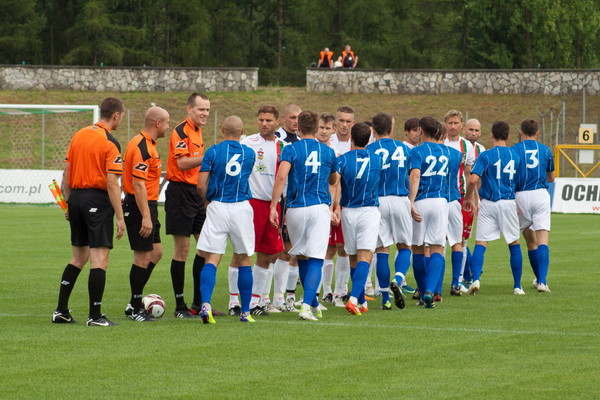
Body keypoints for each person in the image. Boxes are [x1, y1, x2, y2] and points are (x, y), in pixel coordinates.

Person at [52, 97, 125, 327]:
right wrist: (120, 217)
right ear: (116, 115)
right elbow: (112, 183)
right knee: (99, 259)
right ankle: (95, 316)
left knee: (78, 257)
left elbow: (66, 174)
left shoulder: (79, 135)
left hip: (76, 198)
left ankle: (61, 311)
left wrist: (69, 203)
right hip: (97, 200)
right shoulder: (110, 142)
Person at [269, 110, 339, 321]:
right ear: (317, 128)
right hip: (318, 207)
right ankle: (307, 305)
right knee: (316, 257)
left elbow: (281, 177)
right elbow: (334, 179)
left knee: (301, 255)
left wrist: (273, 206)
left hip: (295, 209)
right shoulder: (328, 151)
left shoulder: (291, 149)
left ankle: (312, 302)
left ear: (298, 127)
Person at [165, 93, 223, 318]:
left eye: (207, 109)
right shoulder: (180, 131)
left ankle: (200, 303)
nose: (205, 113)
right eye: (201, 109)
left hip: (197, 193)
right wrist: (208, 156)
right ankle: (180, 306)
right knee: (182, 250)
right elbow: (181, 163)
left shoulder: (198, 131)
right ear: (189, 109)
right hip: (180, 193)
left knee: (206, 248)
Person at [226, 106, 287, 316]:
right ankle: (234, 301)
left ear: (277, 122)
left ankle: (254, 302)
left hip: (273, 205)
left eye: (268, 120)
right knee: (242, 252)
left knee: (268, 255)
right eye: (261, 120)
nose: (264, 124)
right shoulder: (248, 143)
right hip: (251, 204)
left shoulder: (283, 146)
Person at [196, 116, 256, 324]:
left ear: (222, 130)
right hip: (241, 207)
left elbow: (200, 184)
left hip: (218, 206)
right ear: (242, 132)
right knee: (244, 259)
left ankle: (205, 304)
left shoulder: (212, 151)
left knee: (212, 258)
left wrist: (207, 201)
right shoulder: (249, 153)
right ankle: (246, 312)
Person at [462, 121, 524, 295]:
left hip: (488, 203)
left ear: (491, 135)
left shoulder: (485, 155)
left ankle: (475, 280)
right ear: (508, 136)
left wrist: (468, 198)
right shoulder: (515, 156)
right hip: (508, 202)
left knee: (481, 243)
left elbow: (473, 180)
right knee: (514, 243)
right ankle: (517, 286)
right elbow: (517, 182)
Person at [122, 107, 170, 322]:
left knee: (156, 252)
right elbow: (138, 184)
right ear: (157, 123)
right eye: (167, 122)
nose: (168, 127)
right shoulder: (142, 147)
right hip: (139, 205)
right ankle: (135, 308)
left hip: (147, 204)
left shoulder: (147, 144)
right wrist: (146, 216)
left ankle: (134, 300)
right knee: (142, 257)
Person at [334, 123, 382, 315]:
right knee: (365, 256)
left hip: (348, 212)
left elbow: (335, 184)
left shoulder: (343, 160)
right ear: (369, 140)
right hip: (368, 211)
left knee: (353, 257)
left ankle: (362, 301)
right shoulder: (377, 159)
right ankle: (354, 298)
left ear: (351, 138)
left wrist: (335, 207)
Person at [366, 112, 413, 310]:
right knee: (405, 246)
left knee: (382, 250)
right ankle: (398, 278)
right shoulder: (404, 148)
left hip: (378, 202)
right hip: (400, 199)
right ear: (391, 128)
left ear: (373, 130)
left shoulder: (369, 149)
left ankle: (385, 298)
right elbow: (411, 174)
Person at [408, 116, 450, 309]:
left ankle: (423, 290)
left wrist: (410, 201)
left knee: (417, 248)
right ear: (439, 132)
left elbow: (415, 175)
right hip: (441, 201)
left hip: (422, 200)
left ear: (421, 131)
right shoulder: (448, 152)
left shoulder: (416, 151)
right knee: (437, 248)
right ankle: (430, 291)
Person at [511, 119, 555, 292]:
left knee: (530, 242)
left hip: (520, 195)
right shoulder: (545, 150)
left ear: (521, 132)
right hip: (540, 194)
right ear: (537, 133)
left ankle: (531, 280)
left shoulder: (514, 150)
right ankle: (542, 281)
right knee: (542, 240)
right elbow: (551, 178)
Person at [274, 103, 302, 309]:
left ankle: (283, 297)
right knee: (274, 251)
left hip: (293, 201)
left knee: (290, 251)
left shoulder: (301, 142)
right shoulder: (276, 140)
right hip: (277, 200)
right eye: (292, 117)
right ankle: (272, 298)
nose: (295, 121)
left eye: (299, 118)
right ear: (284, 118)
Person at [443, 110, 474, 295]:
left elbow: (469, 174)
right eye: (450, 123)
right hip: (441, 196)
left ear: (461, 125)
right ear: (445, 124)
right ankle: (437, 281)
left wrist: (472, 198)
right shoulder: (441, 142)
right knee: (439, 240)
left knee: (460, 239)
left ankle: (458, 280)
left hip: (460, 196)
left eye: (456, 123)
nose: (453, 126)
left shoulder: (466, 146)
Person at [330, 106, 355, 307]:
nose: (344, 125)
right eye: (341, 120)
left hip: (350, 202)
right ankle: (326, 292)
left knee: (345, 248)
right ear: (335, 122)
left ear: (353, 123)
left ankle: (340, 291)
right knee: (328, 248)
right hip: (329, 201)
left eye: (348, 121)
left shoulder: (358, 144)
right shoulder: (328, 142)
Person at [460, 119, 486, 292]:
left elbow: (478, 179)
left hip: (471, 198)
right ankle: (466, 275)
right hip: (457, 196)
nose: (473, 133)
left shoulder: (482, 150)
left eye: (476, 130)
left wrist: (478, 199)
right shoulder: (458, 146)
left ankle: (467, 275)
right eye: (470, 129)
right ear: (464, 130)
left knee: (464, 237)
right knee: (457, 238)